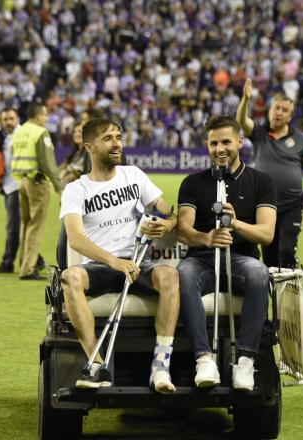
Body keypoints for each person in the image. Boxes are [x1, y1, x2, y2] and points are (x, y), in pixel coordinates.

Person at [59, 118, 180, 393]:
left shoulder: (134, 175)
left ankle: (161, 366)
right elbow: (76, 238)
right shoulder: (76, 189)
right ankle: (96, 364)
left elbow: (167, 211)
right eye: (108, 138)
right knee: (70, 277)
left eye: (119, 137)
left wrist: (167, 224)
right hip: (103, 265)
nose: (117, 143)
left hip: (139, 261)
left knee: (171, 276)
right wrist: (114, 261)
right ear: (89, 147)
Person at [176, 115, 277, 391]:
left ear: (240, 142)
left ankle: (245, 361)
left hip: (241, 259)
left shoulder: (261, 181)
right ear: (207, 145)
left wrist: (236, 224)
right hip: (202, 259)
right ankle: (203, 358)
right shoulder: (193, 182)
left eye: (226, 142)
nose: (220, 149)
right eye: (213, 143)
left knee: (259, 272)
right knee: (183, 273)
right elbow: (183, 229)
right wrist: (205, 237)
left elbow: (266, 234)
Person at [236, 79, 303, 268]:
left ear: (290, 117)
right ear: (269, 110)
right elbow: (241, 120)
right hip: (265, 205)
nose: (279, 113)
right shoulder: (259, 132)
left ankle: (290, 289)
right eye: (276, 108)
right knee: (270, 258)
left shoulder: (300, 139)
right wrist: (245, 99)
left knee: (287, 252)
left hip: (292, 205)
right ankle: (276, 298)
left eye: (284, 110)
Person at [11, 103, 63, 280]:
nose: (46, 118)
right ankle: (28, 269)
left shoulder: (19, 132)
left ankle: (24, 263)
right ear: (38, 115)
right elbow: (48, 163)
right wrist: (59, 188)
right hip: (37, 183)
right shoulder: (40, 133)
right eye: (45, 114)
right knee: (35, 226)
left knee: (25, 225)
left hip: (23, 182)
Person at [56, 108, 105, 270]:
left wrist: (72, 179)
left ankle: (69, 277)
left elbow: (90, 179)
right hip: (71, 204)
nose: (79, 129)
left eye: (83, 123)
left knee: (66, 244)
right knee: (64, 246)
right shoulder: (77, 152)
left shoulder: (91, 152)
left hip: (83, 206)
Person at [0, 108, 21, 274]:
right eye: (5, 119)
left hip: (18, 186)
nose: (8, 122)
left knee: (13, 227)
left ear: (17, 119)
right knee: (16, 227)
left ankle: (8, 263)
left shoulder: (22, 135)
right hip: (7, 185)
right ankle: (36, 260)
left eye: (11, 118)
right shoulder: (3, 136)